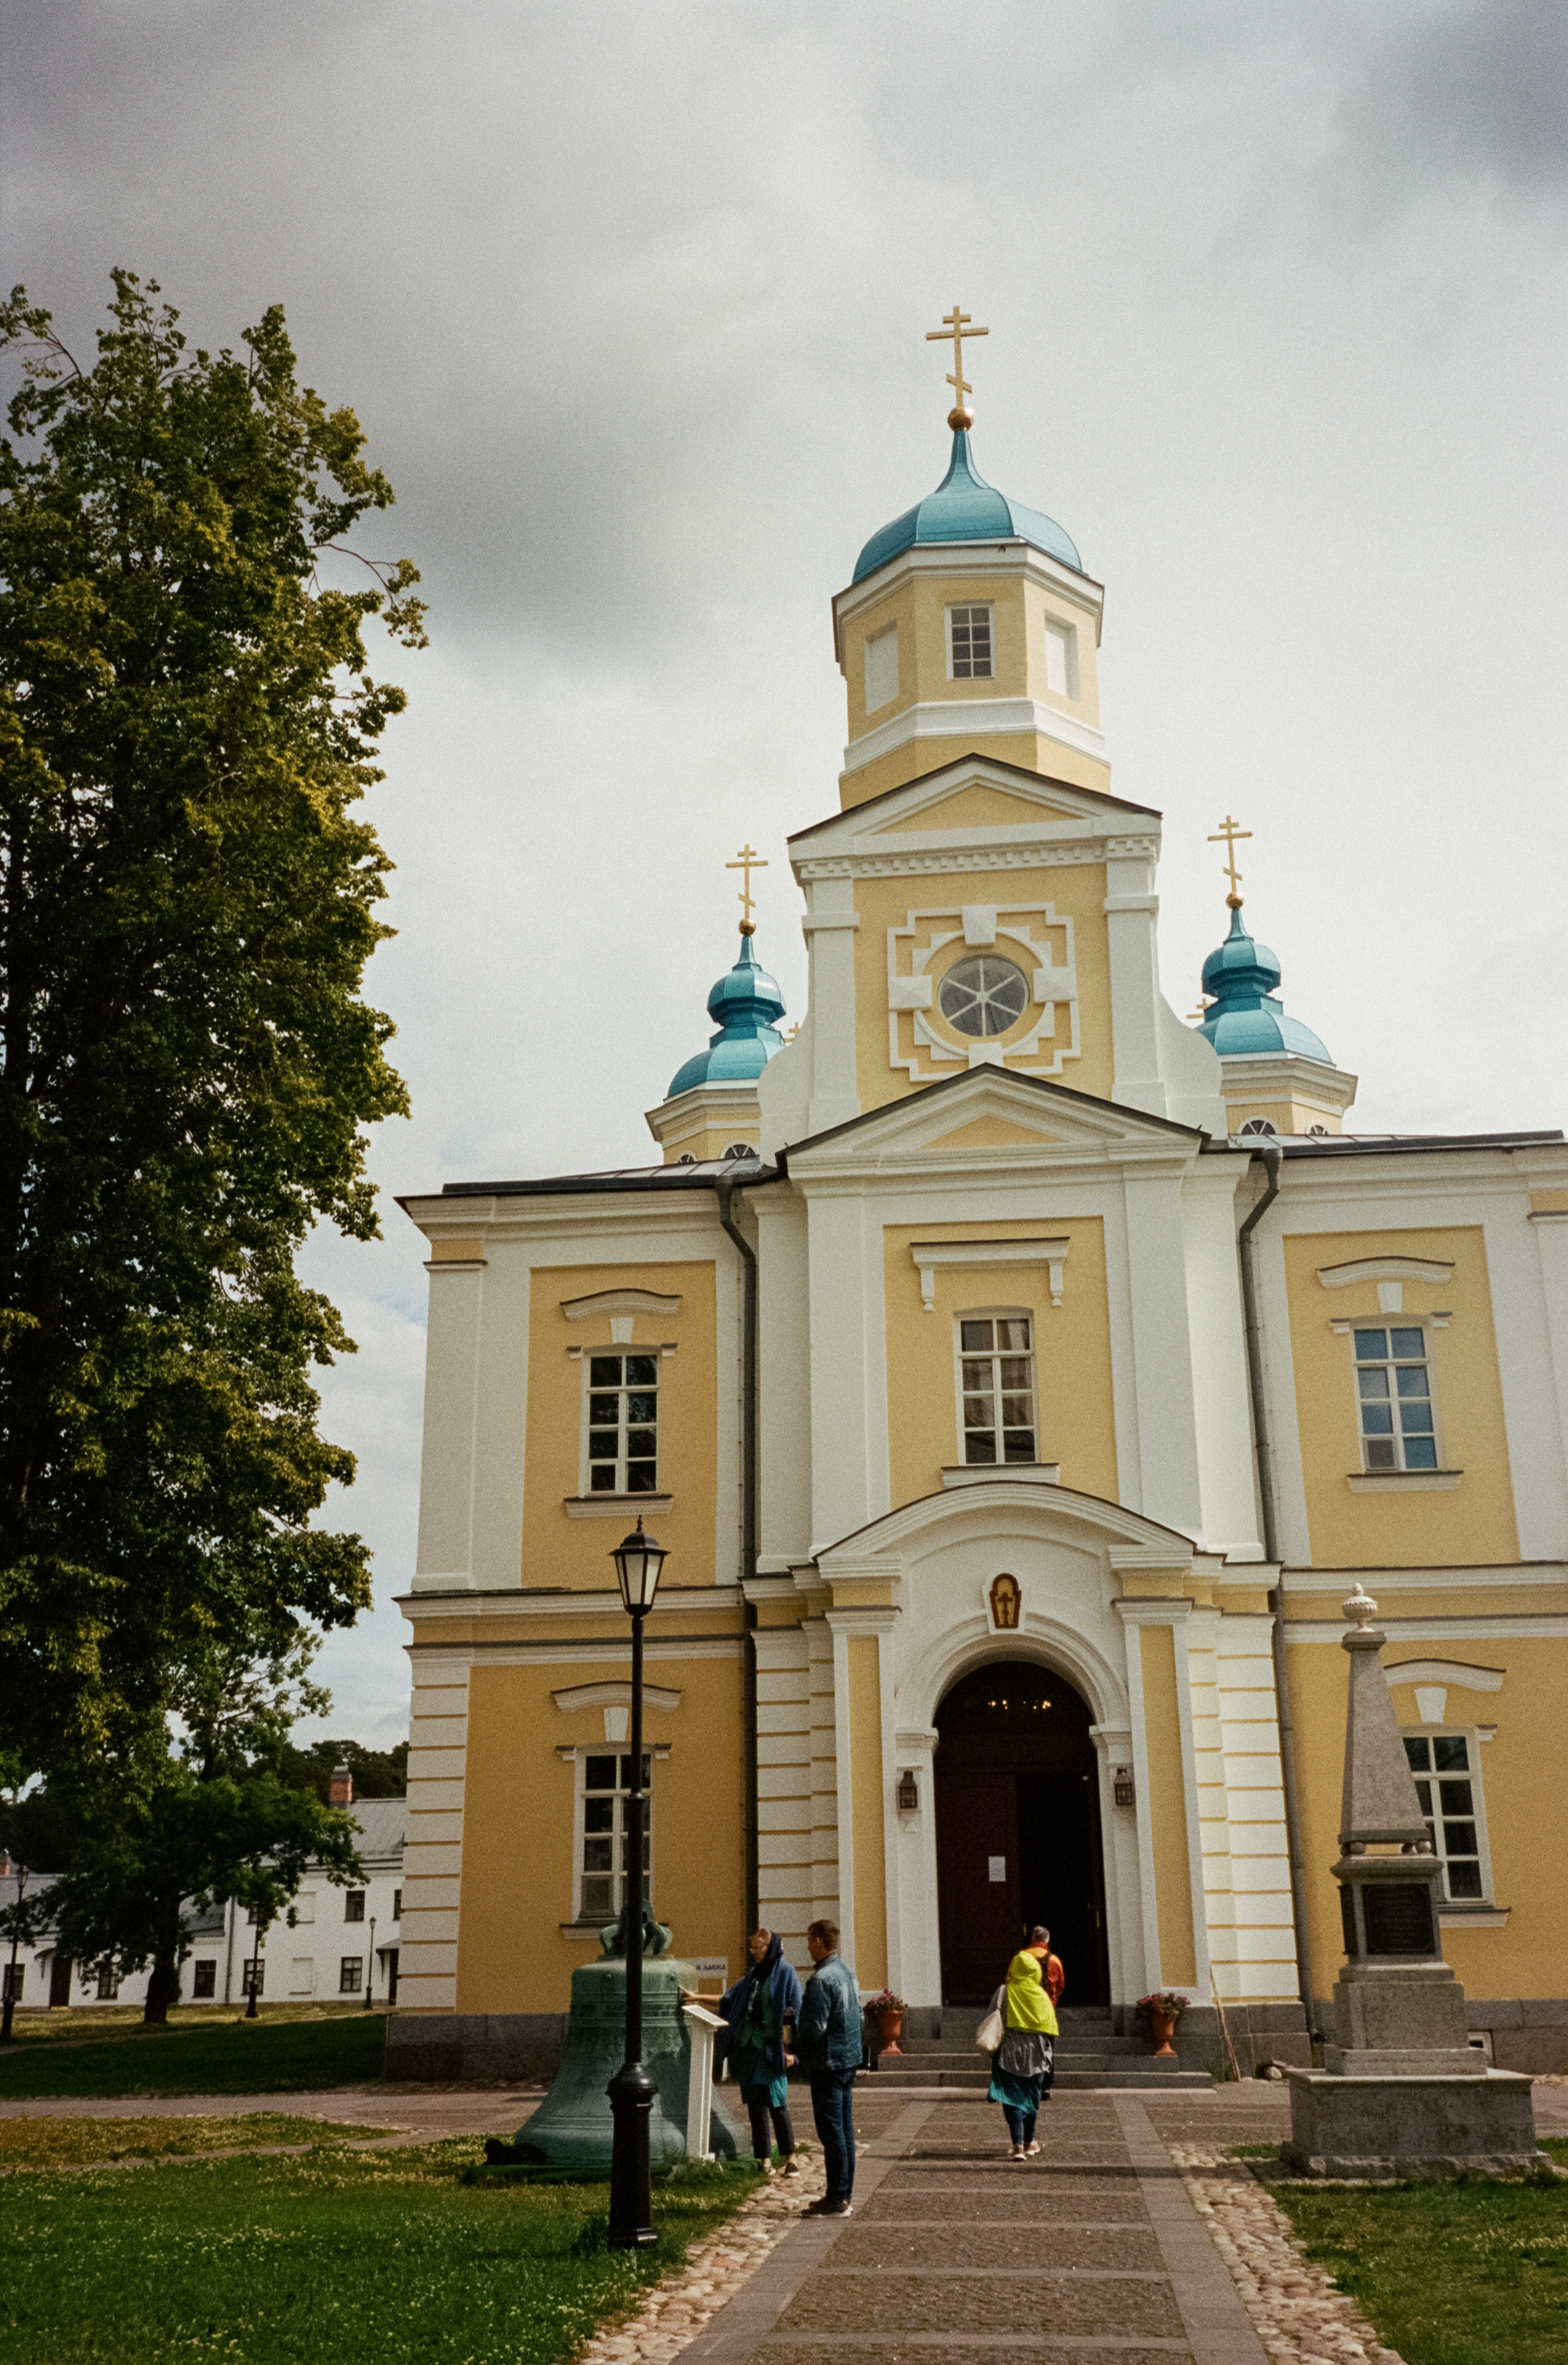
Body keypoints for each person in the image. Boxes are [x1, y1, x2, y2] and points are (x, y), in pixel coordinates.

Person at [684, 1928, 803, 2175]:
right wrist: (697, 1997)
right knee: (755, 2106)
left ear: (770, 1948)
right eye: (752, 1948)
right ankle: (765, 2161)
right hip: (749, 2049)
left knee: (777, 2103)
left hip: (771, 2051)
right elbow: (729, 1999)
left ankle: (791, 2159)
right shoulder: (753, 1976)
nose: (753, 1952)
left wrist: (790, 2050)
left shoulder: (786, 1974)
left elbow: (792, 2015)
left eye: (757, 1948)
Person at [794, 1917, 862, 2216]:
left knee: (832, 2132)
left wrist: (793, 2045)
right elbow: (856, 2017)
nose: (808, 1947)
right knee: (845, 2130)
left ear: (820, 1942)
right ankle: (844, 2193)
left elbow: (815, 2027)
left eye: (810, 1941)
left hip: (827, 2061)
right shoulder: (847, 1973)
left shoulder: (821, 1980)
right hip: (848, 2059)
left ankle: (836, 2198)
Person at [988, 1926, 1058, 2159]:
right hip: (1036, 2052)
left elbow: (992, 2017)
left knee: (1011, 2097)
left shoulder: (1004, 1991)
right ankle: (1029, 2142)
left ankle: (1017, 2144)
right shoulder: (1041, 1995)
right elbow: (1050, 2027)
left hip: (1009, 2052)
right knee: (1031, 2095)